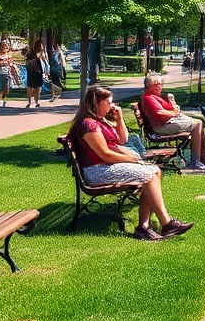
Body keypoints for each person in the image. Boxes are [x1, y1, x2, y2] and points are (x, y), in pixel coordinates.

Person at [70, 84, 192, 240]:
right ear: (96, 103)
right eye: (108, 102)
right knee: (150, 174)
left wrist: (119, 118)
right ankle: (166, 223)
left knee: (155, 172)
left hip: (107, 166)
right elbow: (105, 155)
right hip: (97, 171)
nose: (112, 106)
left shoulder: (100, 121)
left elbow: (122, 139)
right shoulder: (89, 125)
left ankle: (144, 227)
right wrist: (131, 159)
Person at [140, 74, 205, 170]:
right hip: (162, 127)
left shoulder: (154, 96)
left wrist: (173, 103)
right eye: (157, 84)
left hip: (168, 122)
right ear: (149, 85)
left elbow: (173, 109)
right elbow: (159, 112)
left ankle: (204, 156)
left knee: (198, 122)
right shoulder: (149, 98)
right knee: (197, 124)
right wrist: (174, 114)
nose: (160, 86)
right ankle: (196, 161)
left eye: (161, 84)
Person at [0, 40, 17, 107]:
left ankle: (5, 99)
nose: (5, 47)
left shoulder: (9, 54)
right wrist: (3, 62)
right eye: (3, 46)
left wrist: (12, 68)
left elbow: (11, 62)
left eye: (6, 46)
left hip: (6, 72)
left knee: (6, 87)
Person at [25, 39, 47, 109]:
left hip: (33, 72)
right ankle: (34, 101)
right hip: (36, 72)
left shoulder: (34, 54)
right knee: (35, 87)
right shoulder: (35, 54)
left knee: (33, 87)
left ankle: (32, 101)